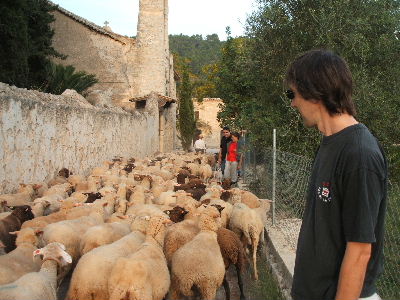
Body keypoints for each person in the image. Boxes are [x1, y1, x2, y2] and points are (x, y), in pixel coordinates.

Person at [286, 50, 387, 300]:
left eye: (293, 94)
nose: (293, 103)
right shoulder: (330, 143)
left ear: (313, 92)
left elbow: (360, 250)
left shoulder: (359, 155)